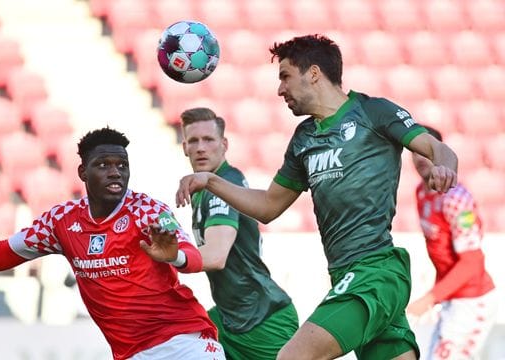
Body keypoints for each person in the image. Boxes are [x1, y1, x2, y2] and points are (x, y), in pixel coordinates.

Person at [175, 34, 459, 360]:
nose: (280, 89)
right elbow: (268, 206)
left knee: (293, 357)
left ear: (313, 73)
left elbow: (440, 149)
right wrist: (211, 181)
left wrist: (445, 168)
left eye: (285, 77)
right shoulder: (303, 139)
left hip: (376, 272)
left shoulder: (373, 112)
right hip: (345, 275)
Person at [0, 127, 226, 360]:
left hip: (184, 343)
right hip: (132, 353)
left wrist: (176, 257)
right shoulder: (62, 222)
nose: (115, 173)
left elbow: (193, 256)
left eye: (122, 166)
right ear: (82, 172)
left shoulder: (147, 211)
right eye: (104, 165)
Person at [177, 107, 298, 359]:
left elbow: (216, 256)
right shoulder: (203, 188)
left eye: (208, 140)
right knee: (170, 340)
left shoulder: (224, 184)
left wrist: (169, 256)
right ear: (184, 147)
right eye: (194, 141)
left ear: (224, 145)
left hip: (262, 321)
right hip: (230, 318)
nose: (201, 147)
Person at [407, 125, 498, 360]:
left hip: (472, 300)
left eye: (426, 150)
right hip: (452, 300)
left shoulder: (456, 198)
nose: (420, 158)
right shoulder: (421, 192)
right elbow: (440, 253)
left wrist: (430, 298)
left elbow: (472, 262)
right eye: (414, 151)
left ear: (439, 152)